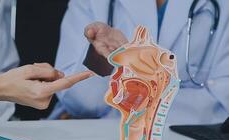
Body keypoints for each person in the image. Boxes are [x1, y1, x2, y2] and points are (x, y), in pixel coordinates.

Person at [52, 0, 229, 125]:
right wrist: (101, 59)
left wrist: (121, 109)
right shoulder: (92, 3)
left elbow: (221, 103)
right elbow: (77, 101)